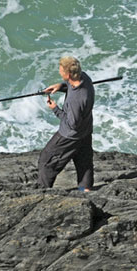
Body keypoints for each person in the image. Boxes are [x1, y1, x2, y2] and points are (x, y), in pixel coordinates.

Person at [37, 56, 96, 191]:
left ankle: (43, 191)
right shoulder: (84, 78)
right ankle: (84, 190)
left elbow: (72, 123)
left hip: (69, 136)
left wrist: (55, 109)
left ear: (68, 74)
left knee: (46, 161)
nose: (59, 72)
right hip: (85, 131)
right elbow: (72, 86)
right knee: (84, 163)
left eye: (61, 70)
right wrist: (61, 86)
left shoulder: (77, 99)